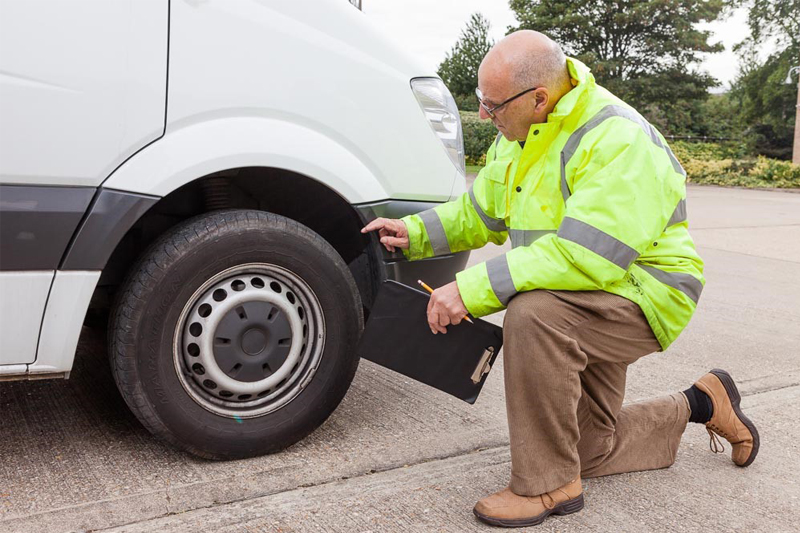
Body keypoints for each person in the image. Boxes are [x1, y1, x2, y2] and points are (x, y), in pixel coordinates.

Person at [361, 30, 759, 528]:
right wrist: (412, 233)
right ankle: (703, 401)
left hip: (642, 292)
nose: (484, 114)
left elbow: (585, 254)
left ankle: (547, 486)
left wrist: (470, 290)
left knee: (534, 315)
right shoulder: (521, 136)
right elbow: (479, 213)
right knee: (589, 449)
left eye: (492, 104)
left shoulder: (617, 138)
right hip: (581, 295)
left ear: (539, 97)